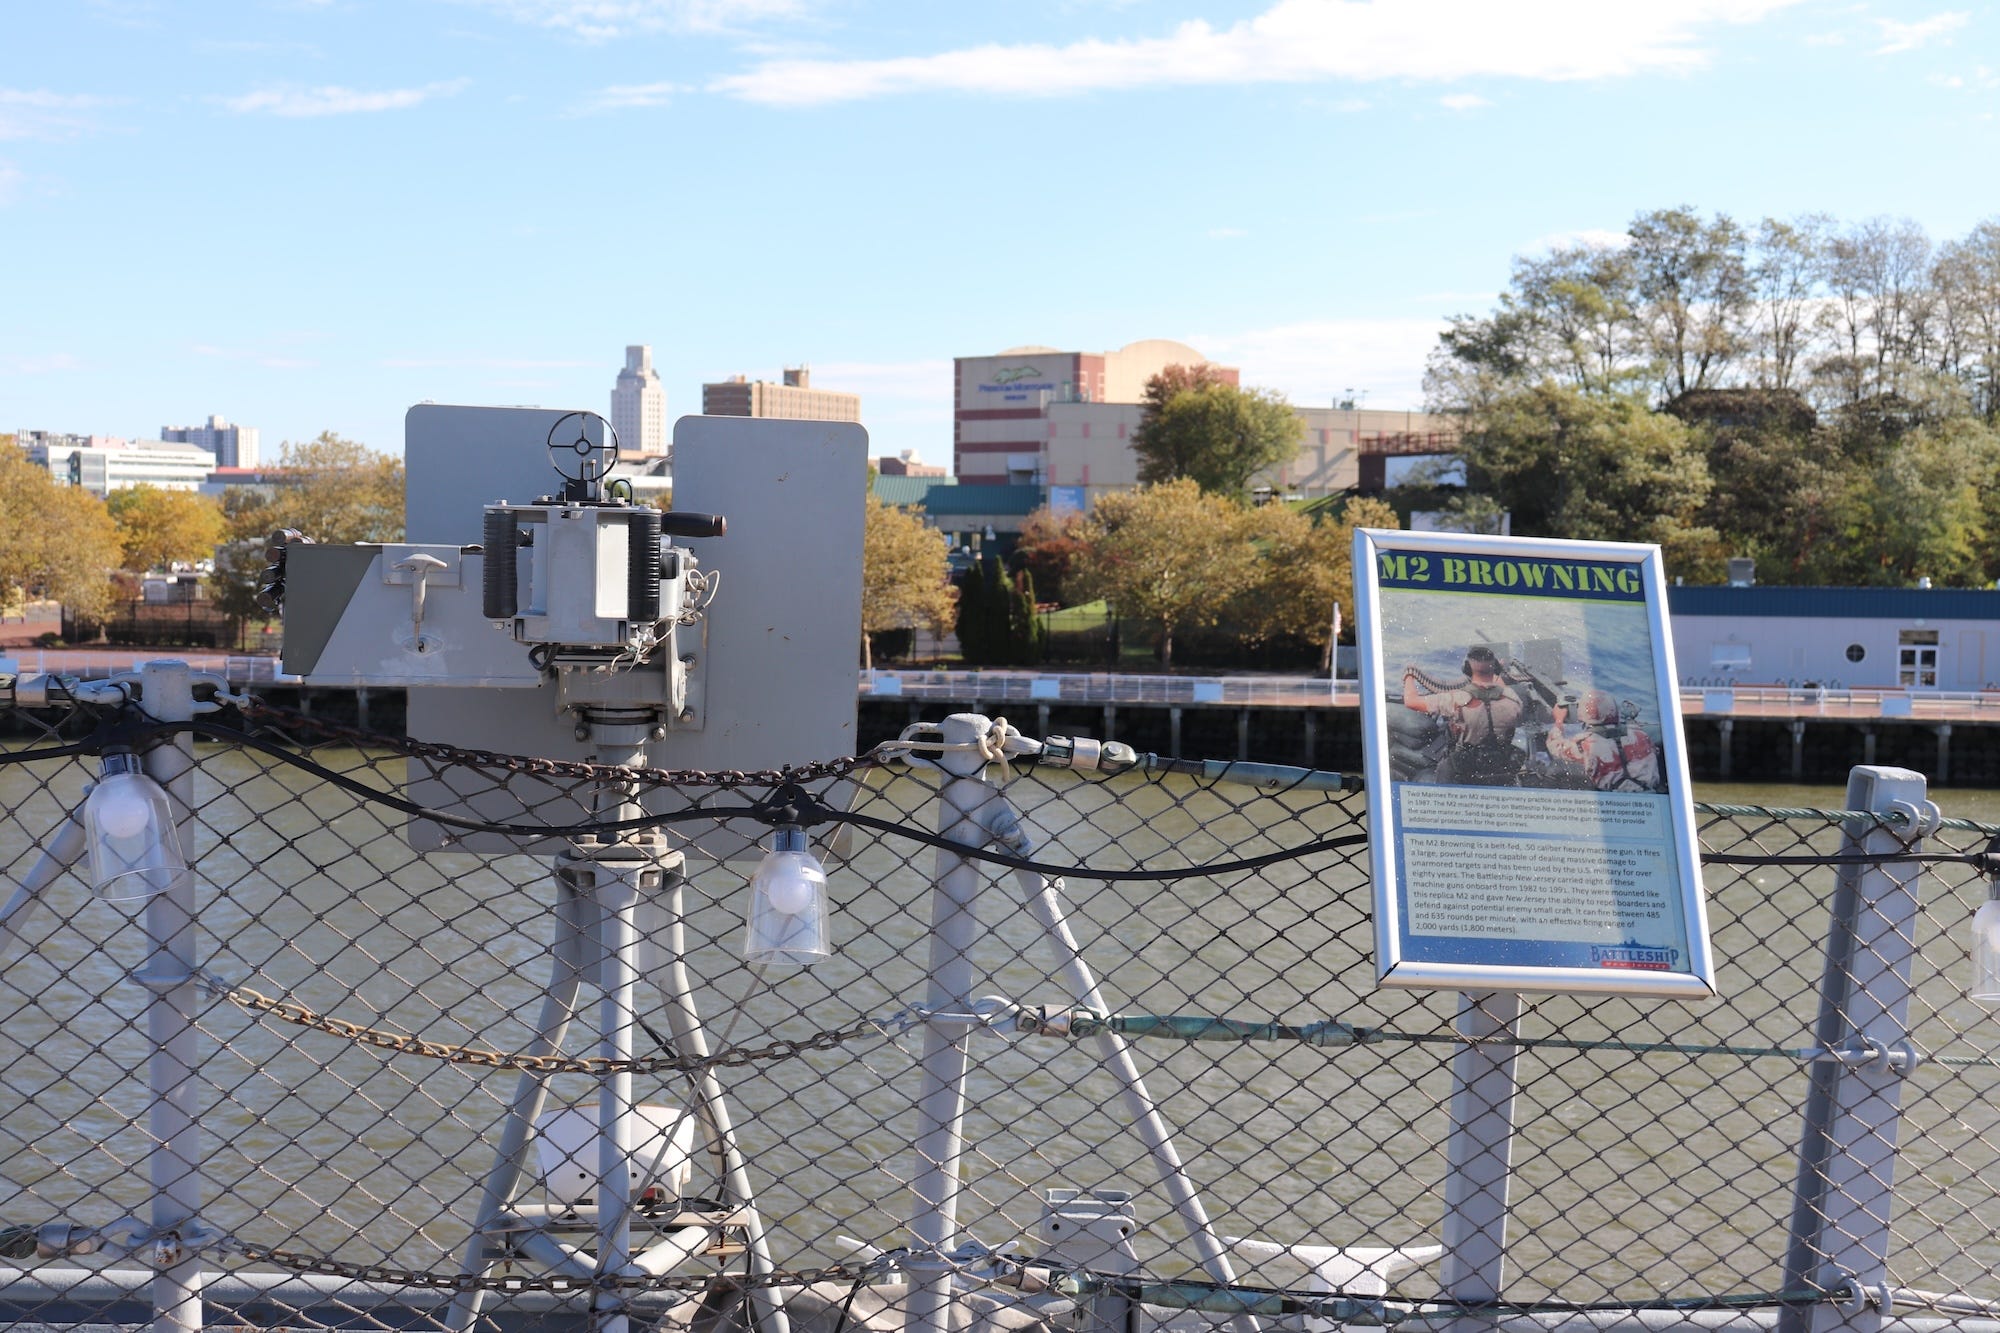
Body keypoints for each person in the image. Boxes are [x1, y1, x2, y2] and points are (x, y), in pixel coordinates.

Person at [1401, 646, 1527, 785]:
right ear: (1495, 668)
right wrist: (1496, 672)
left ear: (1466, 669)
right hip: (1501, 766)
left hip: (1465, 767)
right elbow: (1499, 688)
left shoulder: (1456, 700)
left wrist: (1409, 675)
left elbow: (1411, 701)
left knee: (1443, 766)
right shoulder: (1513, 699)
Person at [1545, 689, 1662, 793]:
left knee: (1558, 765)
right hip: (1649, 795)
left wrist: (1559, 720)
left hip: (1614, 802)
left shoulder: (1585, 744)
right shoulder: (1641, 735)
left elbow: (1554, 746)